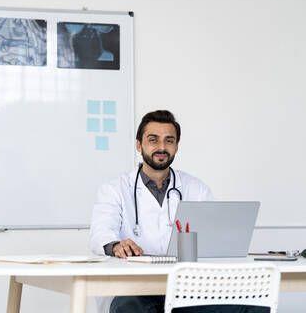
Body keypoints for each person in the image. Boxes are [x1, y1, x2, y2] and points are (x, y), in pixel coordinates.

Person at [89, 110, 269, 313]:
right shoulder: (115, 189)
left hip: (187, 287)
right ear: (139, 145)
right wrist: (115, 245)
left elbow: (216, 235)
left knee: (254, 306)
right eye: (153, 140)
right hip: (134, 287)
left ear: (176, 146)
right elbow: (100, 233)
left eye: (169, 141)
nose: (162, 147)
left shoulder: (196, 187)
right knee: (131, 308)